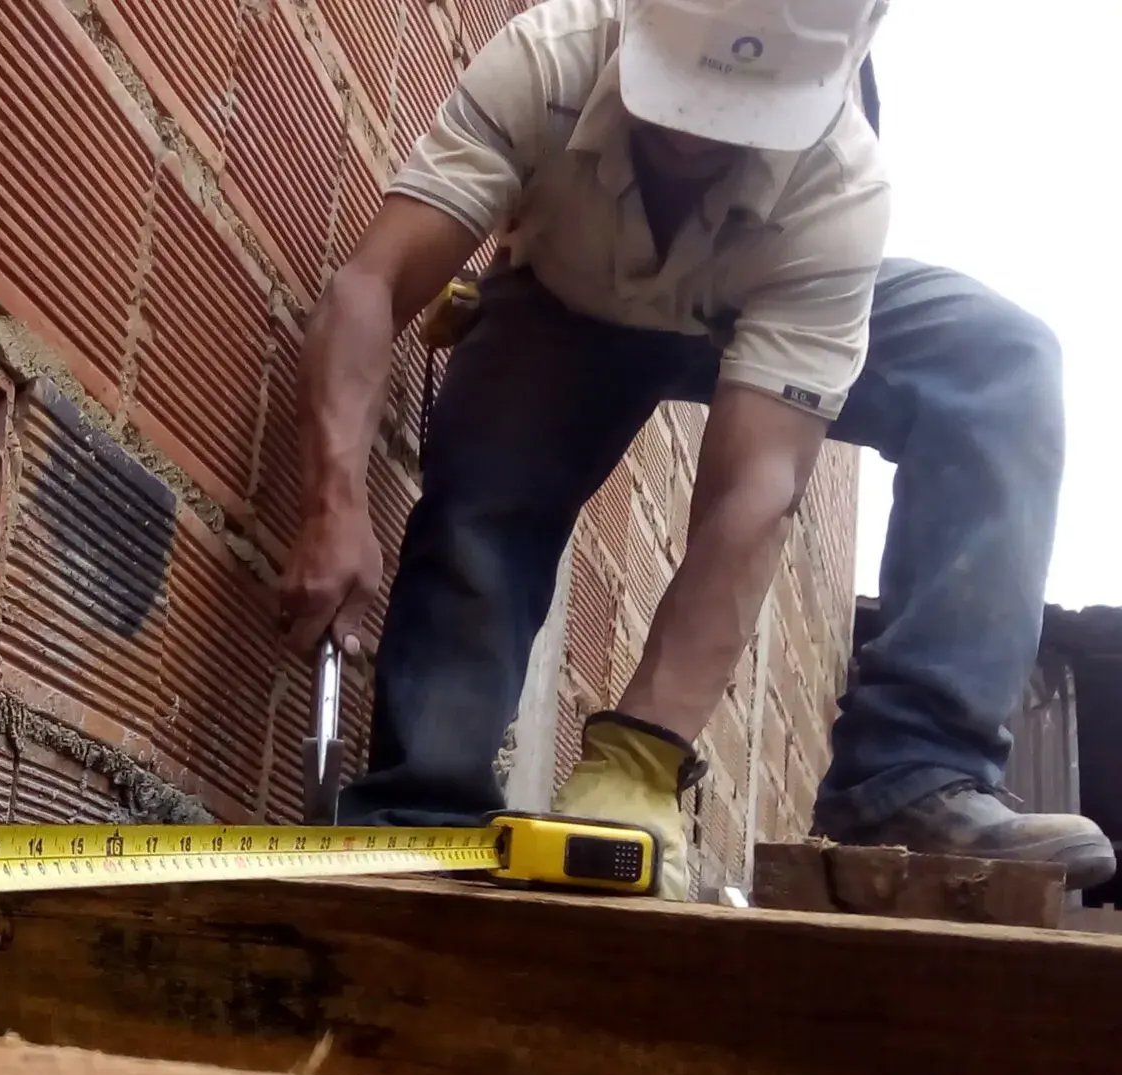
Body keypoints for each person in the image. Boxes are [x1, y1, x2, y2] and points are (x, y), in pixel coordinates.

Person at [278, 0, 1116, 898]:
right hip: (567, 300)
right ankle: (423, 816)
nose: (689, 142)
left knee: (999, 358)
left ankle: (909, 779)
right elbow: (371, 284)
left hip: (757, 307)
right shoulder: (552, 57)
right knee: (488, 503)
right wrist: (335, 499)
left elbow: (752, 492)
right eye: (675, 105)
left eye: (732, 122)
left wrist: (642, 754)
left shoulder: (837, 186)